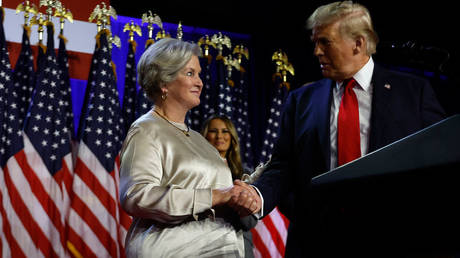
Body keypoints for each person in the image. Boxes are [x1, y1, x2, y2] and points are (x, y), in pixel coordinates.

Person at [232, 1, 446, 257]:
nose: (316, 52)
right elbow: (283, 165)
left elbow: (439, 165)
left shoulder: (414, 93)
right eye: (315, 43)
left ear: (358, 43)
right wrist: (259, 195)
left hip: (394, 239)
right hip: (317, 242)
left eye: (325, 42)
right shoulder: (301, 100)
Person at [119, 38, 259, 257]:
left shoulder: (199, 140)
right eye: (190, 74)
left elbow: (220, 192)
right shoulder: (146, 130)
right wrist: (215, 196)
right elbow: (136, 196)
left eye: (199, 74)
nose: (200, 82)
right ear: (164, 82)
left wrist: (244, 191)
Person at [201, 115, 257, 258]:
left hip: (239, 248)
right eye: (213, 131)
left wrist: (233, 201)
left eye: (225, 131)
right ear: (205, 136)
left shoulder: (245, 175)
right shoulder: (195, 172)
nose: (219, 136)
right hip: (203, 245)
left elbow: (250, 222)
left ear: (232, 137)